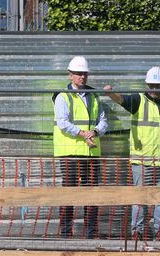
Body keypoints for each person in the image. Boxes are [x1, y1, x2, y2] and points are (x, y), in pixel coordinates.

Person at [104, 66, 160, 246]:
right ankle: (137, 232)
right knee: (140, 198)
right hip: (142, 159)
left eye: (157, 85)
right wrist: (111, 94)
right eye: (152, 85)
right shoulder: (139, 99)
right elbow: (122, 100)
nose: (154, 89)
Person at [53, 56, 109, 240]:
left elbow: (103, 121)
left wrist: (95, 131)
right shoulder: (63, 96)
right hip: (70, 152)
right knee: (69, 195)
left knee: (91, 195)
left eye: (84, 74)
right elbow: (62, 122)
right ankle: (66, 234)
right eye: (78, 74)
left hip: (91, 153)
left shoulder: (94, 95)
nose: (82, 77)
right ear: (70, 75)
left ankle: (91, 234)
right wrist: (82, 133)